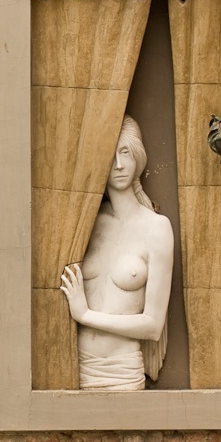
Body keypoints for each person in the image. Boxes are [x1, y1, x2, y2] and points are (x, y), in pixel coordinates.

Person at [60, 115, 174, 390]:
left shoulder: (156, 228)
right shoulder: (86, 224)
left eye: (125, 152)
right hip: (74, 370)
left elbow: (152, 325)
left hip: (122, 374)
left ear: (138, 157)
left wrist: (85, 315)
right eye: (110, 155)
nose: (119, 165)